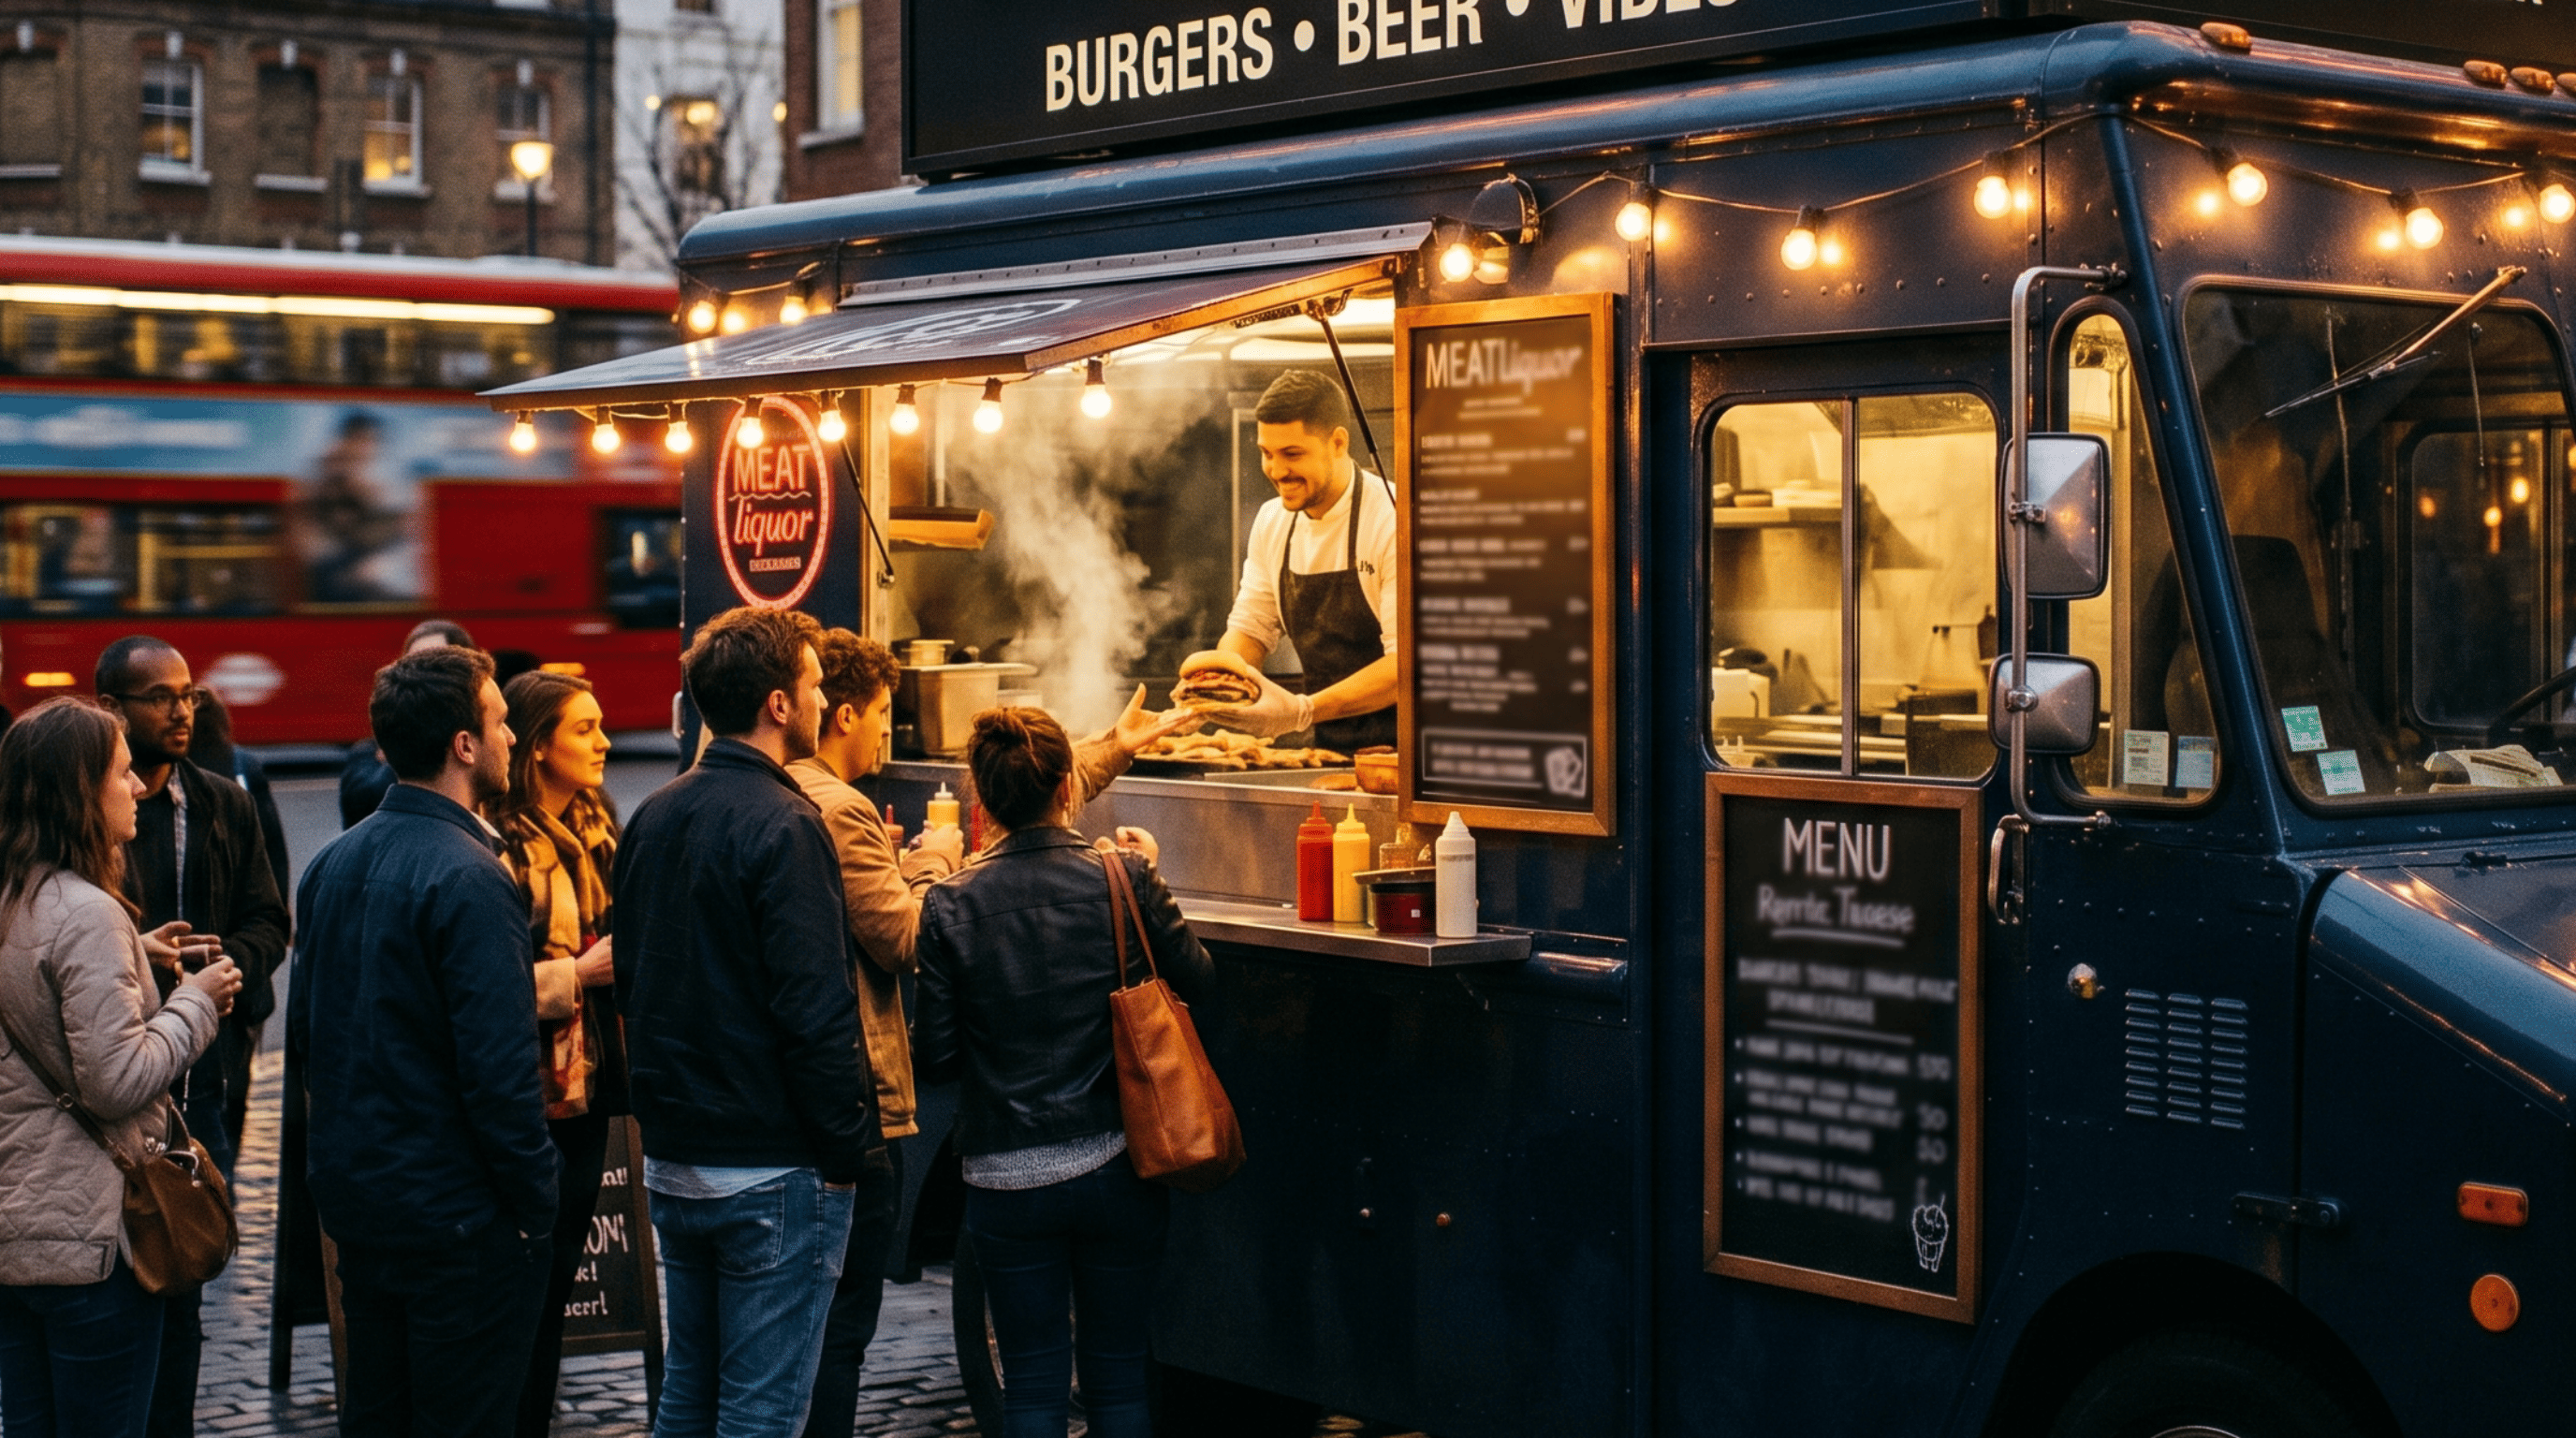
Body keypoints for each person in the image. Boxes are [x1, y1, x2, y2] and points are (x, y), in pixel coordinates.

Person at [614, 607, 883, 1438]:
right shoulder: (788, 822)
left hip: (679, 1161)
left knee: (688, 1399)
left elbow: (636, 982)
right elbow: (814, 1009)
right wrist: (850, 1153)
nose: (818, 699)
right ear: (777, 704)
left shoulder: (654, 813)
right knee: (761, 1416)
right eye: (810, 685)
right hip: (771, 1168)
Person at [914, 708, 1214, 1438]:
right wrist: (1151, 887)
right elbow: (1197, 979)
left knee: (1033, 1388)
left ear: (981, 804)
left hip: (1003, 1183)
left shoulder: (950, 902)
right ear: (1069, 787)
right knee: (1117, 1381)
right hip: (1117, 1169)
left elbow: (937, 1058)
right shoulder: (1124, 876)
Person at [288, 646, 558, 1438]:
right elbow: (498, 1072)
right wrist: (534, 1201)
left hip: (367, 1207)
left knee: (379, 1414)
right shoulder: (473, 876)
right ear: (464, 745)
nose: (512, 739)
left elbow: (310, 1037)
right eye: (502, 723)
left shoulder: (332, 864)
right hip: (459, 1221)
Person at [0, 697, 242, 1438]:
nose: (138, 787)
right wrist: (196, 1002)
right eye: (123, 772)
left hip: (18, 1238)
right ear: (81, 791)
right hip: (95, 1243)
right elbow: (116, 1082)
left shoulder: (17, 897)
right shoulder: (88, 912)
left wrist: (135, 950)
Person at [95, 637, 290, 1438]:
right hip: (109, 1085)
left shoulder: (223, 802)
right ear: (113, 709)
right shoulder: (90, 817)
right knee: (112, 1280)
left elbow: (269, 919)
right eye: (160, 696)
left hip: (202, 1080)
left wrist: (223, 978)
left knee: (185, 1268)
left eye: (188, 694)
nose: (184, 710)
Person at [786, 631, 963, 1438]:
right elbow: (900, 940)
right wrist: (932, 865)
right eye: (882, 711)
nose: (884, 729)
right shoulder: (841, 805)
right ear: (839, 709)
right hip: (854, 1100)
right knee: (840, 1325)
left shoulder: (762, 791)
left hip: (774, 1106)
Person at [494, 670, 626, 1438]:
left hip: (590, 1087)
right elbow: (484, 982)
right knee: (524, 1295)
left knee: (553, 1292)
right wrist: (574, 974)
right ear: (538, 746)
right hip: (527, 1093)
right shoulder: (505, 843)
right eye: (585, 728)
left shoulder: (599, 829)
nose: (605, 741)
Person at [1198, 369, 1400, 752]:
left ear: (1338, 443)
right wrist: (1220, 683)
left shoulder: (1391, 519)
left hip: (1405, 757)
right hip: (1326, 749)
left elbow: (1404, 667)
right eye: (1266, 454)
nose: (1276, 471)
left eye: (1292, 454)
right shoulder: (1272, 521)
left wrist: (1301, 711)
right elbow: (1250, 629)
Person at [184, 688, 289, 1162]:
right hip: (235, 998)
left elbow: (271, 911)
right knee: (225, 1126)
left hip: (214, 998)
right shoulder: (244, 767)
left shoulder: (222, 794)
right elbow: (276, 890)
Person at [341, 619, 475, 829]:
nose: (420, 675)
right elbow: (362, 804)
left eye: (434, 665)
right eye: (411, 664)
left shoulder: (489, 744)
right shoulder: (367, 754)